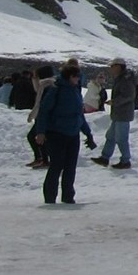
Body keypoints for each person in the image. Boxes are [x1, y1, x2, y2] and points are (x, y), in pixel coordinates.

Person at [34, 64, 94, 204]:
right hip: (57, 133)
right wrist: (41, 132)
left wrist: (88, 134)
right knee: (57, 165)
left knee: (70, 166)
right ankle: (50, 197)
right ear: (69, 76)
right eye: (76, 76)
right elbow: (44, 112)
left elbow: (79, 114)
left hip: (73, 134)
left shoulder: (75, 90)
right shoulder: (56, 90)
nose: (78, 79)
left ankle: (68, 196)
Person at [93, 58, 137, 169]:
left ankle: (125, 160)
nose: (111, 68)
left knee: (121, 138)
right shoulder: (121, 78)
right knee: (111, 136)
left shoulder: (125, 79)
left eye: (112, 66)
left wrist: (115, 102)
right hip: (118, 113)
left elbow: (129, 95)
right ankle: (105, 157)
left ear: (118, 66)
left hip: (123, 113)